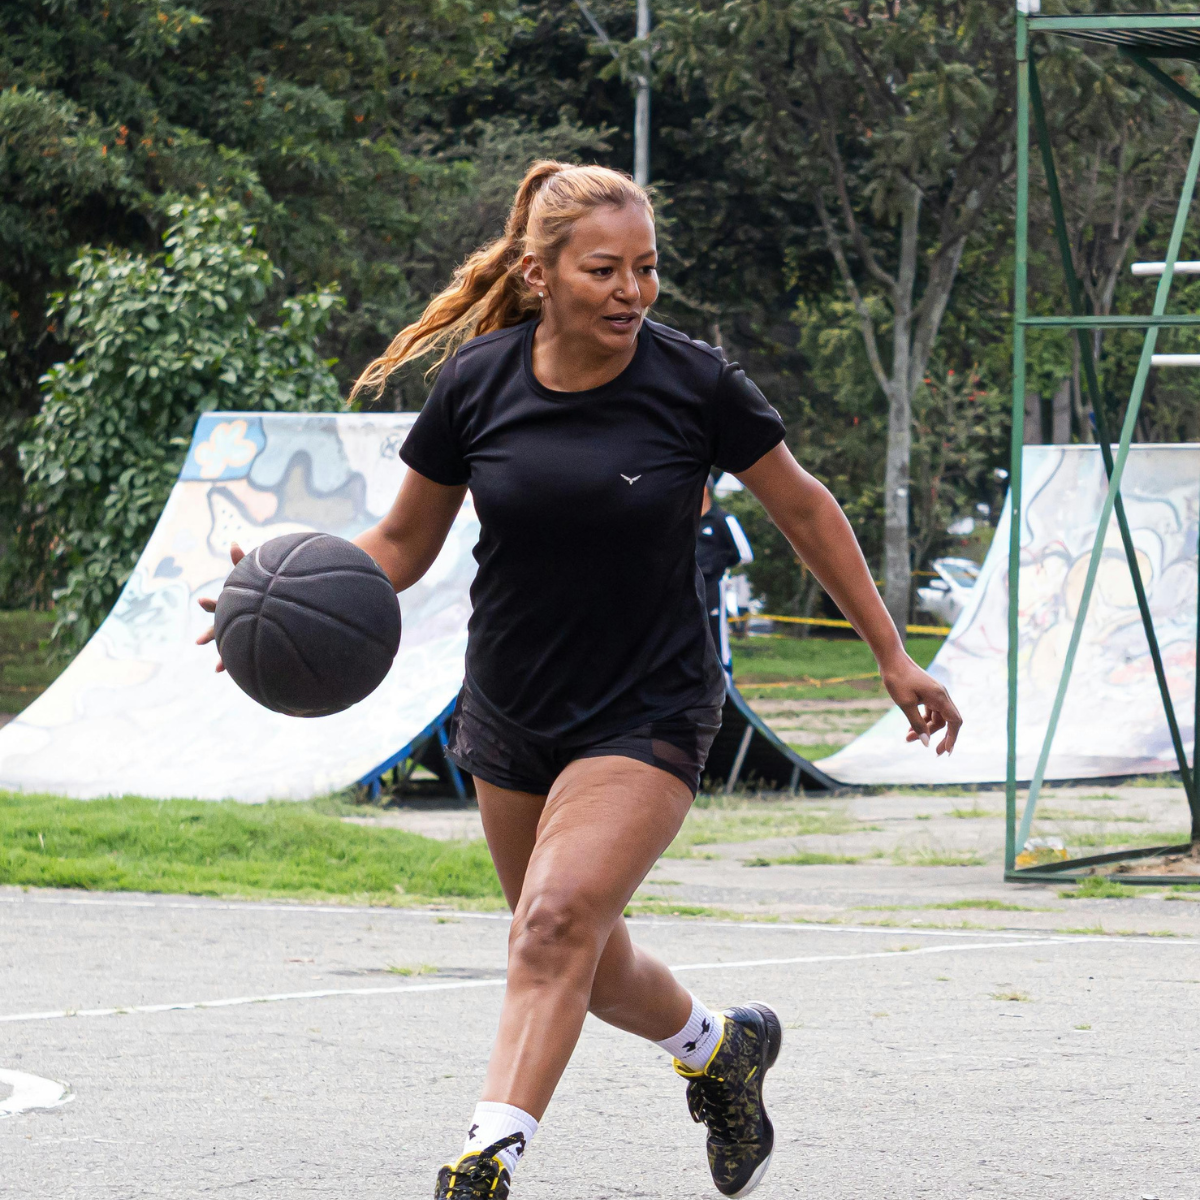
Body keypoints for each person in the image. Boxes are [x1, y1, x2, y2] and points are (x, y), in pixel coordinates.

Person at [200, 161, 961, 1198]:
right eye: (604, 269)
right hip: (512, 706)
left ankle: (487, 1155)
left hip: (648, 703)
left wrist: (890, 651)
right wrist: (278, 588)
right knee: (584, 958)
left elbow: (805, 508)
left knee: (555, 924)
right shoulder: (479, 383)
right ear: (539, 273)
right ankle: (719, 1049)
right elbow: (399, 545)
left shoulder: (696, 384)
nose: (631, 292)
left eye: (646, 269)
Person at [697, 475, 754, 671]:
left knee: (716, 634)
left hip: (714, 586)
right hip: (689, 587)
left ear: (704, 489)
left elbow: (744, 554)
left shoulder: (722, 519)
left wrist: (717, 565)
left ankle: (724, 677)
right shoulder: (687, 520)